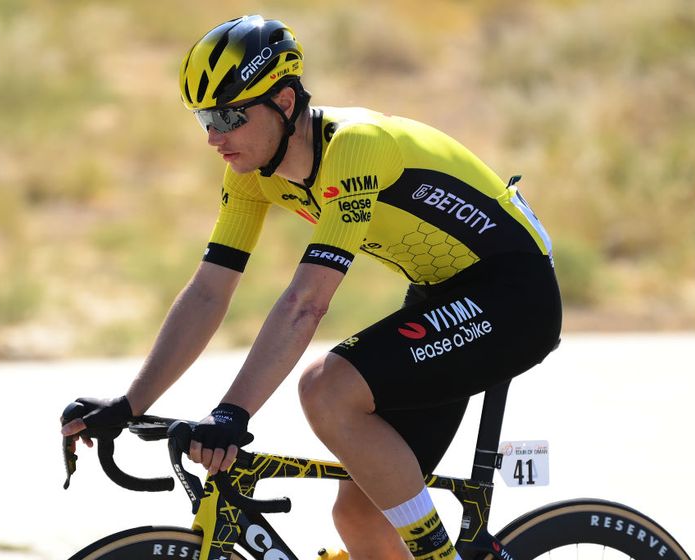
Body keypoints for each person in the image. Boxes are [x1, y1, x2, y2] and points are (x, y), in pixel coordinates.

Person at [61, 14, 562, 560]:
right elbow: (209, 290)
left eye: (227, 115)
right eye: (205, 117)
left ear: (283, 101)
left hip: (513, 294)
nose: (212, 136)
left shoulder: (355, 149)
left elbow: (307, 302)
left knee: (327, 388)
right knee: (360, 514)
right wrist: (132, 402)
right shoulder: (250, 174)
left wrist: (233, 413)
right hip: (441, 295)